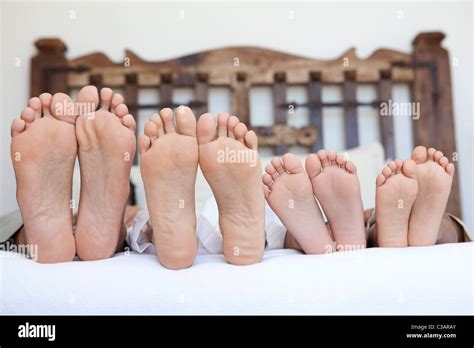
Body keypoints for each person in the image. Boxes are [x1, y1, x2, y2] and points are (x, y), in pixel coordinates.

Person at [6, 86, 469, 269]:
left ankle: (86, 225)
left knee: (133, 219)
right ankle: (374, 233)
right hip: (284, 227)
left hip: (166, 218)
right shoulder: (289, 194)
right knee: (298, 229)